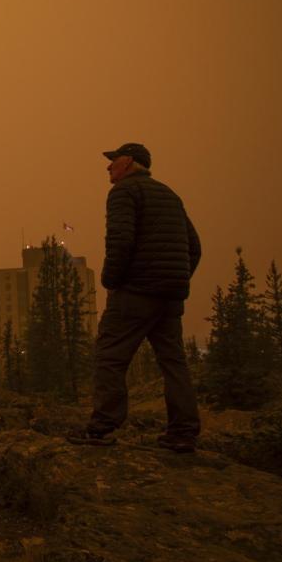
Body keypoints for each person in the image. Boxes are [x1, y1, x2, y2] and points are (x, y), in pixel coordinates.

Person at [68, 142, 202, 453]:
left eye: (113, 161)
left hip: (135, 293)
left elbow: (120, 240)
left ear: (128, 162)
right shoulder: (170, 195)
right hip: (169, 298)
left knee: (110, 356)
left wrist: (110, 281)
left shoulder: (124, 192)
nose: (108, 167)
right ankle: (183, 433)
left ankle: (102, 428)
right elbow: (195, 247)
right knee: (174, 363)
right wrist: (175, 279)